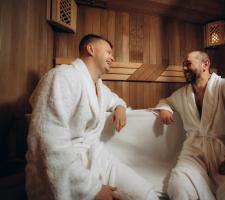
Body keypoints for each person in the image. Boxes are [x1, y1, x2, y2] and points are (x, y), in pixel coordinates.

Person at [26, 34, 159, 200]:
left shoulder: (99, 87)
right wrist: (92, 189)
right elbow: (47, 140)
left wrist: (120, 107)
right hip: (63, 168)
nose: (113, 57)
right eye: (109, 52)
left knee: (147, 194)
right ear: (91, 49)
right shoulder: (62, 77)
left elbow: (116, 100)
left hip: (95, 156)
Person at [155, 51, 225, 200]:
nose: (184, 68)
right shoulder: (183, 94)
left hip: (223, 156)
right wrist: (164, 109)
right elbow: (165, 101)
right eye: (183, 65)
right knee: (178, 187)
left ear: (205, 64)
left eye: (188, 64)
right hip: (193, 154)